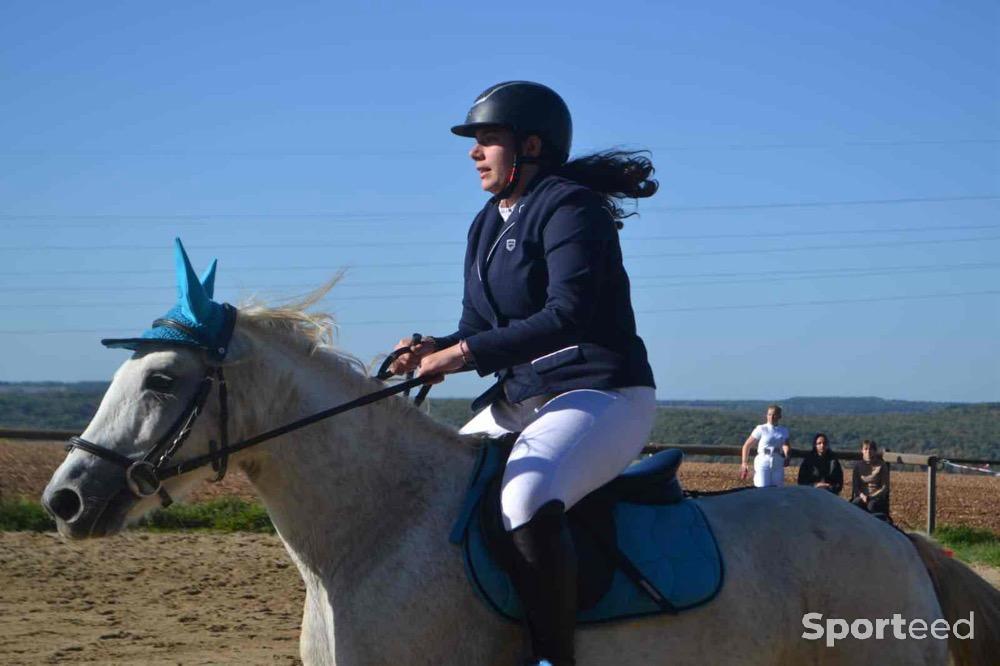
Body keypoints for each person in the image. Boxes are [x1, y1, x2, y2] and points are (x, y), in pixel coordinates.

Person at [388, 81, 658, 666]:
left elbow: (568, 314)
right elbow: (475, 325)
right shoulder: (487, 222)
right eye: (475, 141)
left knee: (526, 497)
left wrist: (459, 356)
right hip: (525, 396)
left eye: (487, 140)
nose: (473, 152)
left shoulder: (569, 206)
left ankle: (552, 656)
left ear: (530, 146)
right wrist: (432, 348)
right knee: (432, 491)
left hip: (601, 391)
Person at [739, 404, 791, 487]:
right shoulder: (761, 429)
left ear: (779, 416)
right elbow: (747, 445)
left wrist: (787, 456)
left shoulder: (783, 430)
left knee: (777, 489)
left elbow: (785, 444)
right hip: (763, 460)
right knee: (762, 487)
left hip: (777, 461)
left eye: (774, 415)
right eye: (769, 414)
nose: (771, 417)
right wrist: (744, 463)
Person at [851, 439, 891, 518]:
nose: (868, 452)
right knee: (855, 505)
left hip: (876, 497)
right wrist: (862, 495)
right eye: (865, 449)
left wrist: (871, 496)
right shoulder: (858, 466)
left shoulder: (882, 465)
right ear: (862, 451)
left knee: (871, 506)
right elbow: (855, 486)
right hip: (861, 496)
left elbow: (884, 487)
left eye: (871, 449)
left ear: (875, 451)